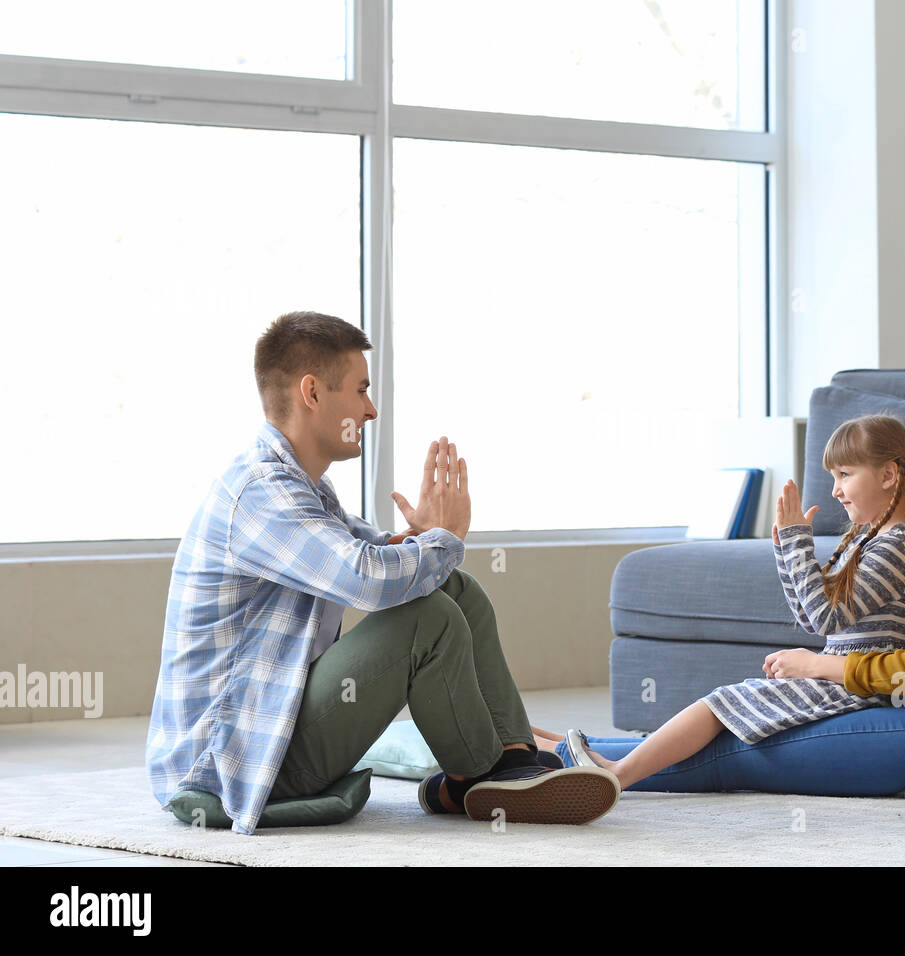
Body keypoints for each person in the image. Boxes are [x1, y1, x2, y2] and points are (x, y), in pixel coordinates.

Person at [145, 311, 619, 835]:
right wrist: (444, 539)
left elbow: (369, 548)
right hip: (229, 765)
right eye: (360, 390)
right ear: (312, 393)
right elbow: (365, 578)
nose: (370, 411)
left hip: (271, 733)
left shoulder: (303, 486)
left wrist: (422, 542)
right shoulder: (261, 491)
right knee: (427, 616)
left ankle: (512, 760)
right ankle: (476, 779)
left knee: (452, 587)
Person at [541, 356, 905, 798]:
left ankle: (567, 763)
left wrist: (819, 665)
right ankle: (558, 752)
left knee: (744, 749)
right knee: (740, 730)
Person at [554, 415, 905, 789]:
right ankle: (598, 761)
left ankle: (617, 774)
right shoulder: (867, 541)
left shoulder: (897, 545)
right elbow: (806, 613)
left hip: (857, 687)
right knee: (729, 704)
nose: (835, 490)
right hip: (841, 677)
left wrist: (800, 543)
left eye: (845, 474)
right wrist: (786, 549)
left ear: (887, 476)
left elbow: (826, 619)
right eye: (833, 477)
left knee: (724, 703)